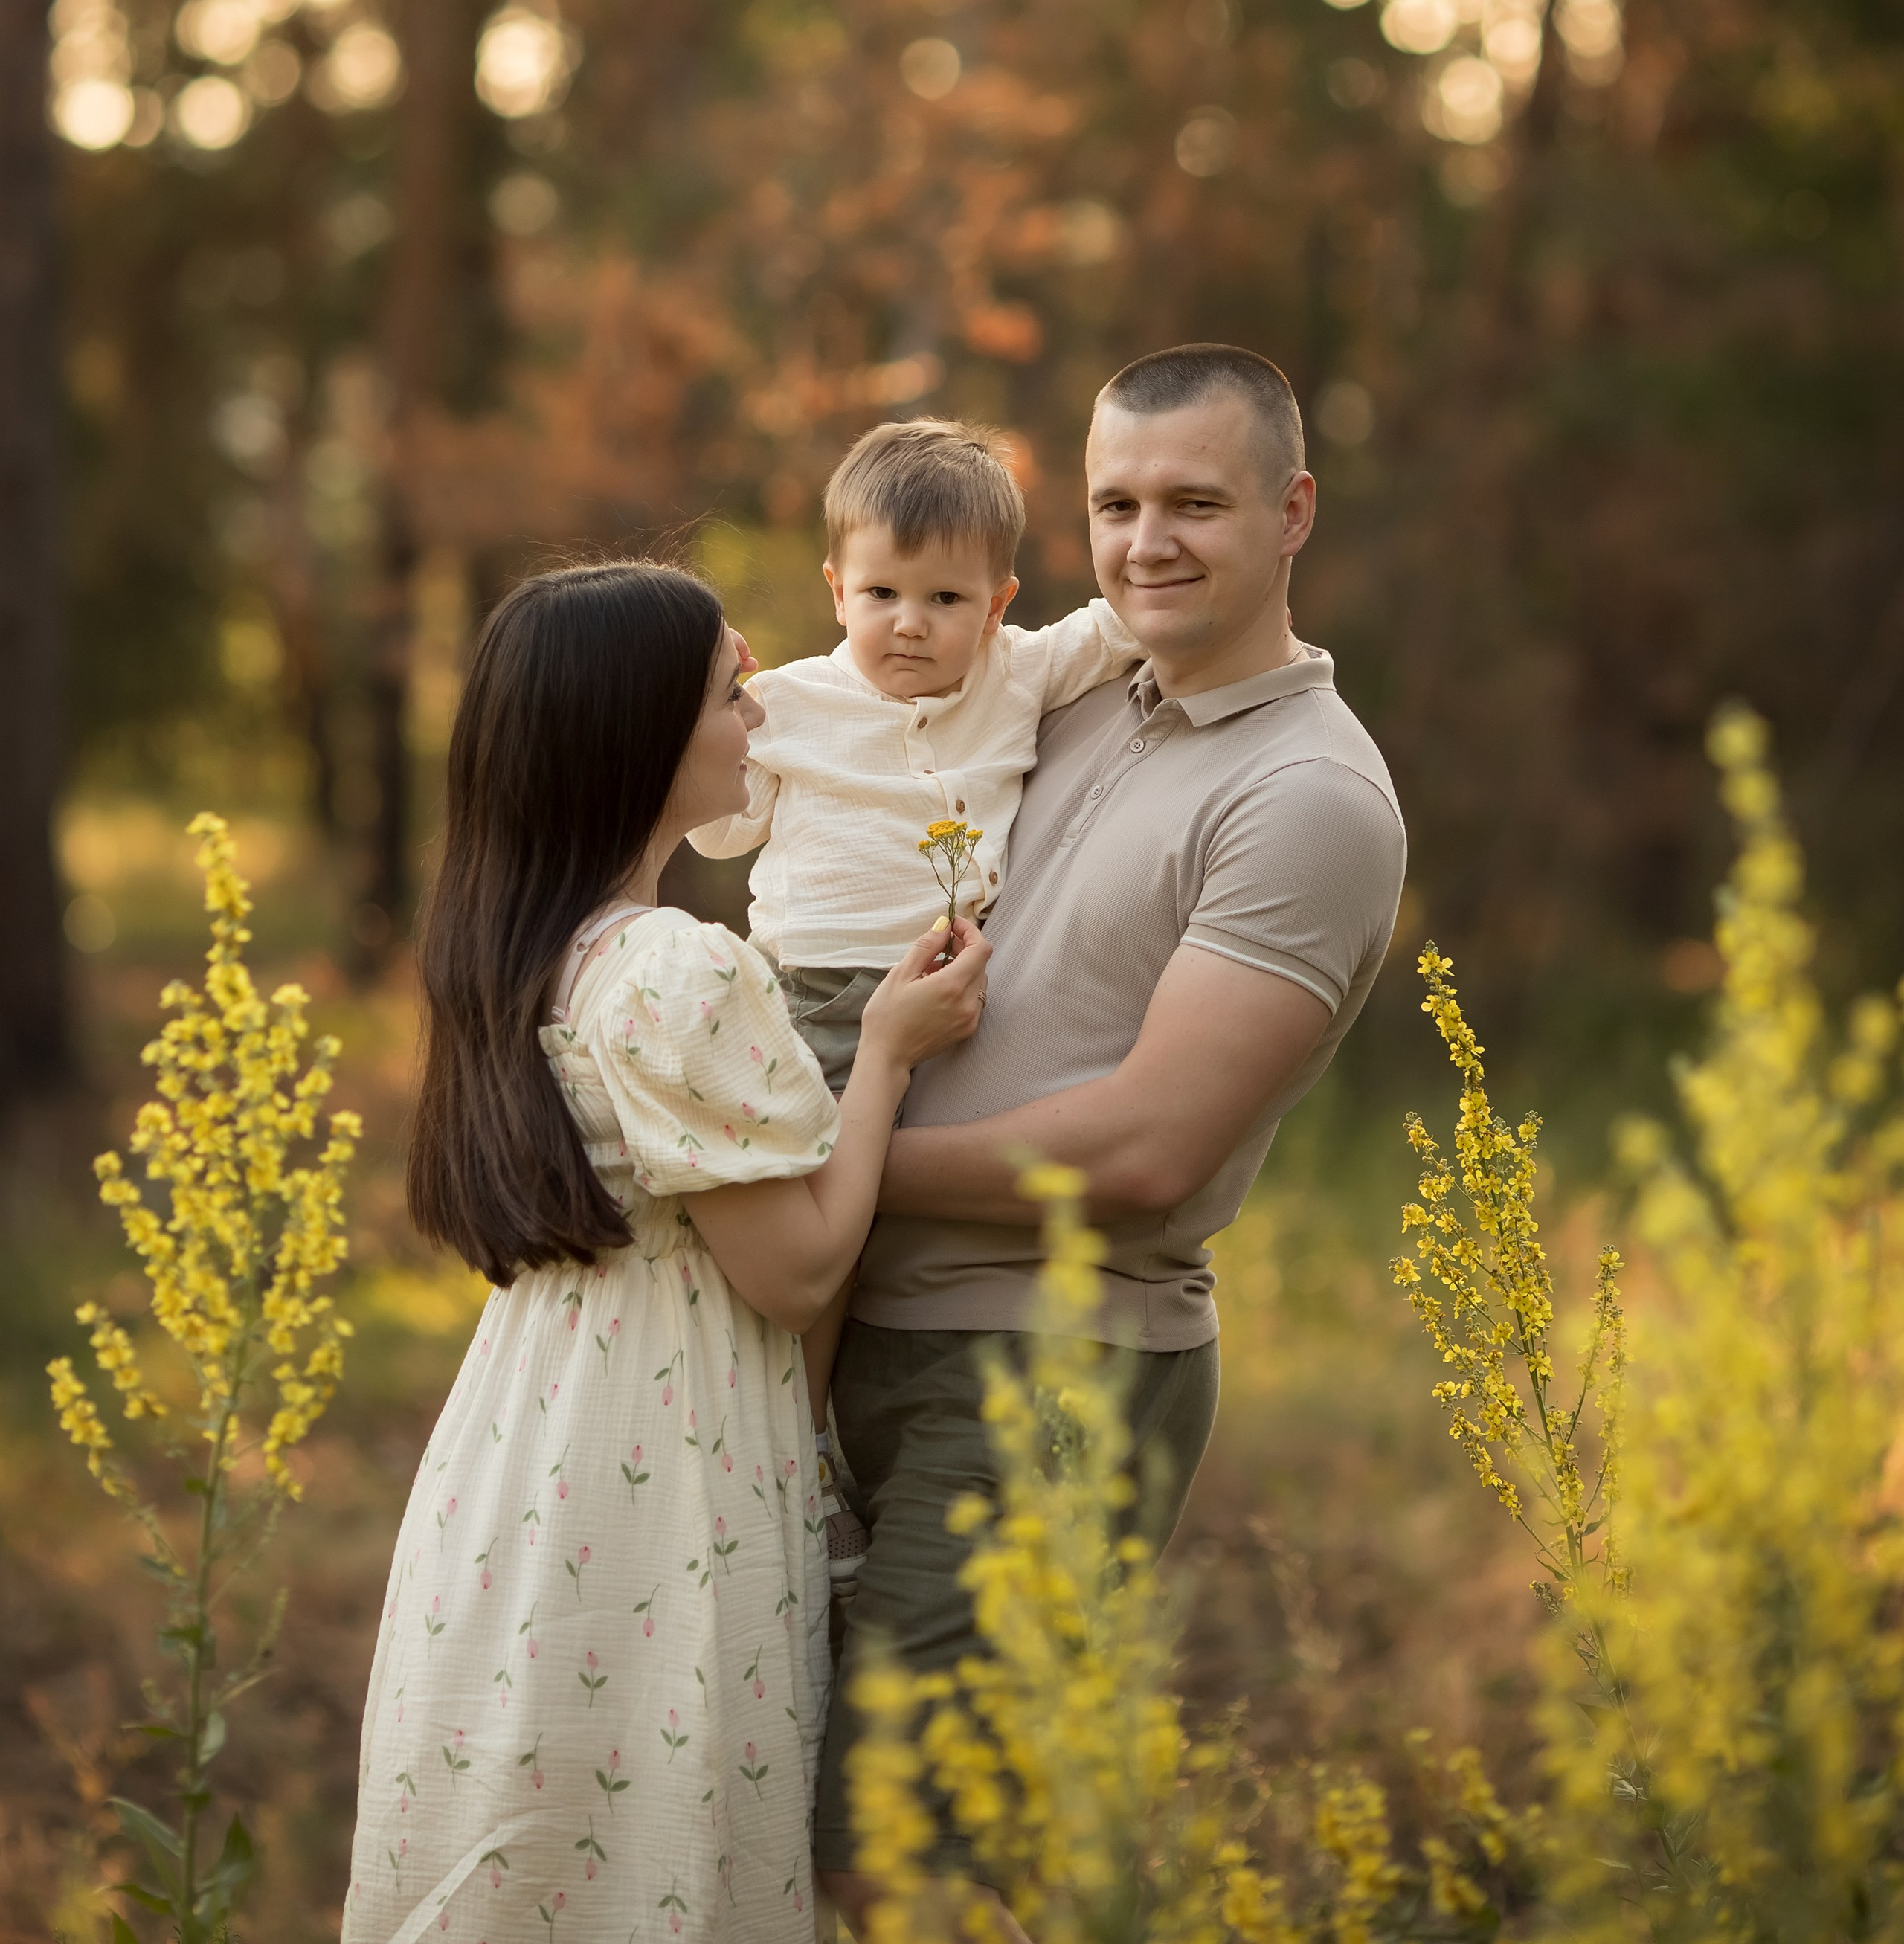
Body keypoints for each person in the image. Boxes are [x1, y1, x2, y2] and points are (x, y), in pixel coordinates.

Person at [812, 346, 1409, 1939]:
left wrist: (813, 1177)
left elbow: (1148, 1148)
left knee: (901, 1867)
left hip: (1054, 1375)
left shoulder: (1307, 798)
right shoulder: (1069, 703)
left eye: (1194, 504)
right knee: (820, 1832)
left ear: (1290, 513)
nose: (1147, 541)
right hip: (867, 1337)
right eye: (1117, 503)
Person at [341, 560, 988, 1944]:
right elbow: (799, 1268)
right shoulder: (681, 971)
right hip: (662, 1461)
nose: (759, 706)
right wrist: (882, 1052)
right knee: (657, 1842)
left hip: (522, 1458)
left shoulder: (527, 951)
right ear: (639, 736)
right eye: (727, 688)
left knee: (537, 1852)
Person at [687, 418, 1138, 1553]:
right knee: (813, 1229)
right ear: (836, 588)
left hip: (955, 1009)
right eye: (882, 592)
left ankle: (828, 1450)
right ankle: (793, 1454)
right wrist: (729, 720)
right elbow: (724, 830)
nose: (910, 624)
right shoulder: (786, 703)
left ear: (999, 602)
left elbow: (1125, 621)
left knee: (892, 1232)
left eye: (946, 600)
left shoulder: (1020, 669)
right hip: (815, 1000)